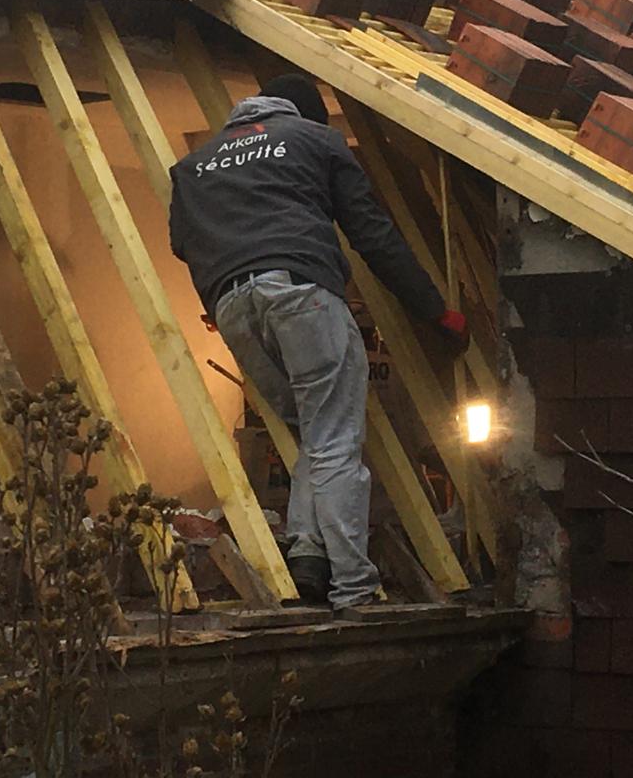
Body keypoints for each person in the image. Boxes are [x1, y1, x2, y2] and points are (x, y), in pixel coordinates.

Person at [168, 73, 467, 609]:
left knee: (313, 429)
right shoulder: (315, 140)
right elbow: (371, 233)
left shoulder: (194, 166)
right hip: (301, 294)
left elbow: (182, 243)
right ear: (307, 114)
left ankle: (307, 556)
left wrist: (231, 287)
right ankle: (354, 586)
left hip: (233, 309)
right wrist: (433, 310)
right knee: (333, 440)